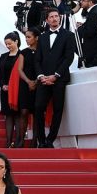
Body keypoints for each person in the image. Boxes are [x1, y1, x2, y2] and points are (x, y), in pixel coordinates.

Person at [34, 8, 75, 148]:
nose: (54, 19)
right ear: (47, 20)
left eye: (56, 16)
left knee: (58, 109)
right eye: (51, 17)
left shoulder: (69, 35)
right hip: (43, 80)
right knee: (38, 108)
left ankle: (50, 140)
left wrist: (56, 75)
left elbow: (69, 58)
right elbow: (37, 59)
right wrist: (41, 76)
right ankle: (41, 140)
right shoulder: (43, 37)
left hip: (59, 79)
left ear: (60, 18)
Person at [0, 32, 22, 147]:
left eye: (10, 43)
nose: (8, 46)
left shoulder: (22, 55)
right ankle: (8, 141)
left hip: (18, 90)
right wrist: (2, 85)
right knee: (8, 115)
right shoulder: (3, 56)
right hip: (5, 90)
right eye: (6, 44)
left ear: (16, 41)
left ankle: (18, 141)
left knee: (17, 115)